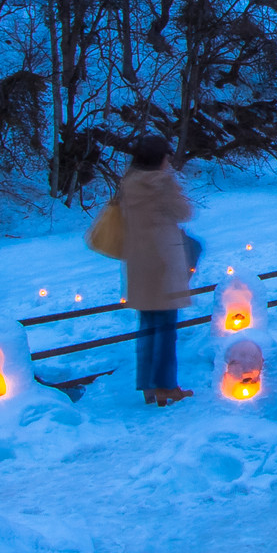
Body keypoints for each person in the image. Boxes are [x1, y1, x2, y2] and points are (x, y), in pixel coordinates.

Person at [118, 134, 198, 407]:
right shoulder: (162, 183)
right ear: (161, 158)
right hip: (164, 262)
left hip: (139, 263)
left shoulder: (128, 182)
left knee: (148, 327)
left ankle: (149, 387)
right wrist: (173, 183)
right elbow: (184, 211)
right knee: (165, 328)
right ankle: (166, 386)